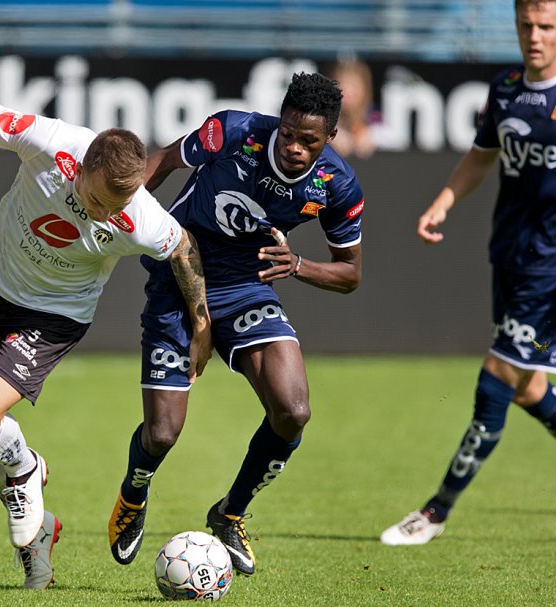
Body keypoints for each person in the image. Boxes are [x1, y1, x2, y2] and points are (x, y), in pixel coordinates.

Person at [379, 0, 556, 546]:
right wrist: (444, 200)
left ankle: (436, 511)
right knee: (529, 388)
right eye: (526, 25)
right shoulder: (504, 89)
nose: (535, 36)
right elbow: (482, 156)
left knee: (496, 381)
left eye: (546, 27)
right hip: (509, 259)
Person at [0, 99, 211, 588]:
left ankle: (26, 469)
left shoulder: (142, 217)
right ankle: (38, 530)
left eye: (112, 208)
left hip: (54, 315)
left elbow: (184, 250)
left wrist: (201, 326)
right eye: (95, 200)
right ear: (81, 165)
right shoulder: (54, 142)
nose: (100, 214)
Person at [108, 72, 365, 575]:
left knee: (293, 411)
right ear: (280, 119)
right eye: (288, 132)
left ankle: (229, 513)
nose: (293, 146)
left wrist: (299, 266)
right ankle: (133, 495)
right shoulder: (233, 131)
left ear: (330, 137)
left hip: (247, 287)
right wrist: (126, 211)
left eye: (308, 140)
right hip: (178, 275)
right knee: (162, 433)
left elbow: (351, 273)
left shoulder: (337, 184)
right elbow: (161, 160)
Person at [328, 57, 379, 160]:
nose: (347, 92)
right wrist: (330, 135)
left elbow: (392, 135)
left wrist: (371, 136)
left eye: (353, 85)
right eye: (342, 85)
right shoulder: (326, 116)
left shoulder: (372, 115)